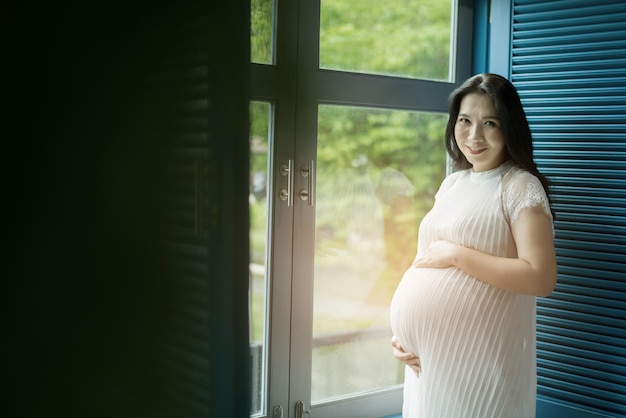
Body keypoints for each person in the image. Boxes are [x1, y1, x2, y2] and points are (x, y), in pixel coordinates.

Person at [389, 73, 557, 418]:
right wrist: (403, 336)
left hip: (482, 364)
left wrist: (457, 254)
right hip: (427, 364)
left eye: (490, 123)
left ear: (509, 128)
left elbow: (540, 276)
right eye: (465, 121)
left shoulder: (519, 186)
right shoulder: (453, 183)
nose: (474, 135)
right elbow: (426, 261)